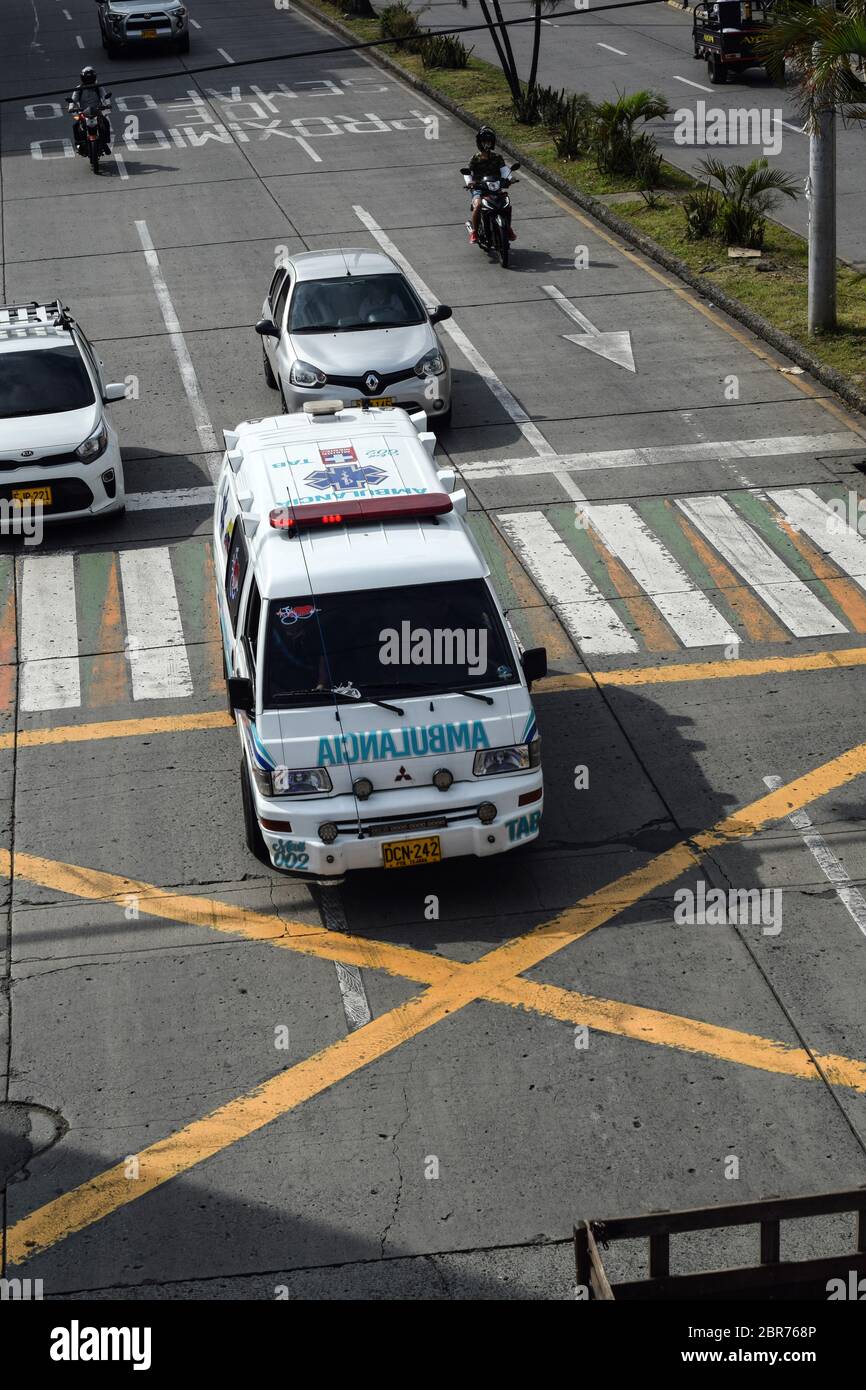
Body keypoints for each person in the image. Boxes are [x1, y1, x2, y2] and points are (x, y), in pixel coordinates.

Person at [466, 126, 516, 245]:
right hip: (479, 188)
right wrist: (470, 183)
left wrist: (510, 178)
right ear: (479, 143)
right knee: (478, 205)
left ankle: (508, 228)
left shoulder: (497, 157)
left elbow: (504, 170)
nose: (486, 144)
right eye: (484, 141)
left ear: (492, 143)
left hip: (495, 187)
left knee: (506, 205)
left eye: (489, 141)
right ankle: (474, 232)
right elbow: (468, 173)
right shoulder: (474, 159)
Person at [68, 66, 111, 156]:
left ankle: (105, 142)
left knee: (106, 123)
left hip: (97, 111)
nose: (89, 80)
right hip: (83, 112)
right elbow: (73, 99)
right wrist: (71, 107)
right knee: (75, 126)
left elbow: (105, 96)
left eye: (90, 78)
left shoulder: (98, 87)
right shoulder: (79, 88)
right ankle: (79, 144)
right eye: (87, 78)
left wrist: (108, 104)